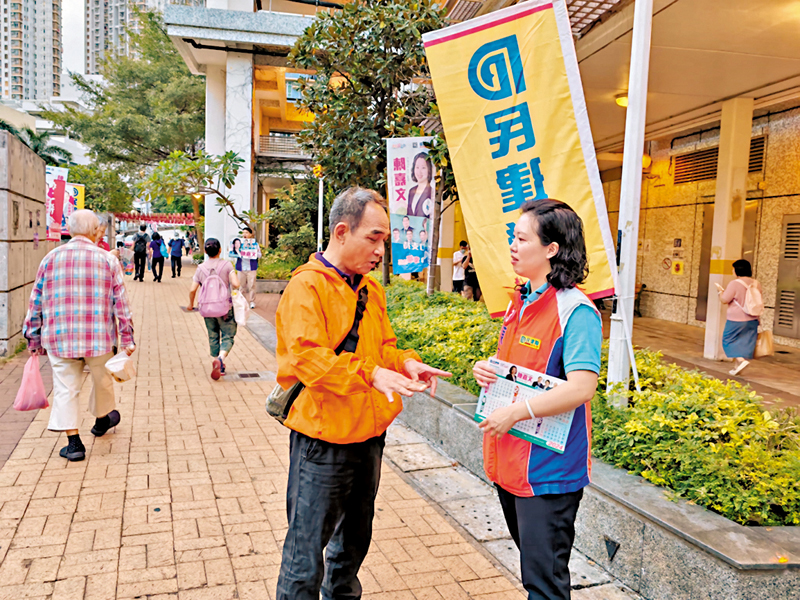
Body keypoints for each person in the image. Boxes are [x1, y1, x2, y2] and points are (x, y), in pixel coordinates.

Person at [274, 187, 451, 600]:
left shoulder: (371, 290)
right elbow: (309, 360)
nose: (379, 250)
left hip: (369, 439)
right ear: (341, 232)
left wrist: (406, 362)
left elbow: (383, 345)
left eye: (384, 240)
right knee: (305, 557)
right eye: (373, 238)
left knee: (351, 549)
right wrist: (372, 374)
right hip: (323, 443)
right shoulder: (307, 288)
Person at [472, 199, 602, 600]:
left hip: (548, 472)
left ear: (551, 249)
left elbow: (582, 386)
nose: (512, 245)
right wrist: (486, 369)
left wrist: (518, 411)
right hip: (511, 461)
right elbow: (518, 370)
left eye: (521, 238)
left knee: (544, 584)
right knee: (535, 573)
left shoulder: (576, 310)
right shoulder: (521, 300)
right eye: (513, 237)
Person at [22, 210, 135, 462]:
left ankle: (74, 443)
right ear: (95, 231)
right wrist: (127, 339)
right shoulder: (107, 260)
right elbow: (122, 304)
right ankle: (102, 418)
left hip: (59, 338)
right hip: (99, 338)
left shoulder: (50, 259)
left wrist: (33, 337)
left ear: (70, 230)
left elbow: (35, 301)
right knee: (102, 380)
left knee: (65, 388)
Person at [188, 238, 240, 380]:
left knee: (213, 335)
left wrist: (191, 305)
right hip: (224, 308)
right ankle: (221, 359)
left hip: (207, 308)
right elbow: (236, 284)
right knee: (228, 335)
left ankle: (217, 360)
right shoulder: (227, 265)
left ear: (205, 251)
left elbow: (192, 290)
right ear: (220, 250)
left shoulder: (201, 268)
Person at [718, 259, 761, 376]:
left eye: (733, 269)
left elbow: (724, 300)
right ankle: (737, 368)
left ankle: (741, 360)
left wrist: (720, 292)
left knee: (728, 340)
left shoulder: (734, 283)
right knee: (744, 342)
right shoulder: (756, 283)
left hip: (736, 319)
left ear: (737, 270)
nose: (732, 271)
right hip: (753, 319)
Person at [235, 227, 263, 310]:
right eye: (243, 233)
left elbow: (259, 255)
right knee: (241, 286)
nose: (244, 235)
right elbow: (234, 253)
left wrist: (254, 252)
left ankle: (252, 301)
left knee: (252, 286)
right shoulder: (238, 243)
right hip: (241, 268)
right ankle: (242, 302)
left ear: (251, 234)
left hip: (251, 268)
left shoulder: (255, 244)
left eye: (246, 233)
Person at [407, 152, 433, 217]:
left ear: (429, 169)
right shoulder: (411, 191)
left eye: (423, 168)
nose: (419, 171)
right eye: (417, 167)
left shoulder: (432, 192)